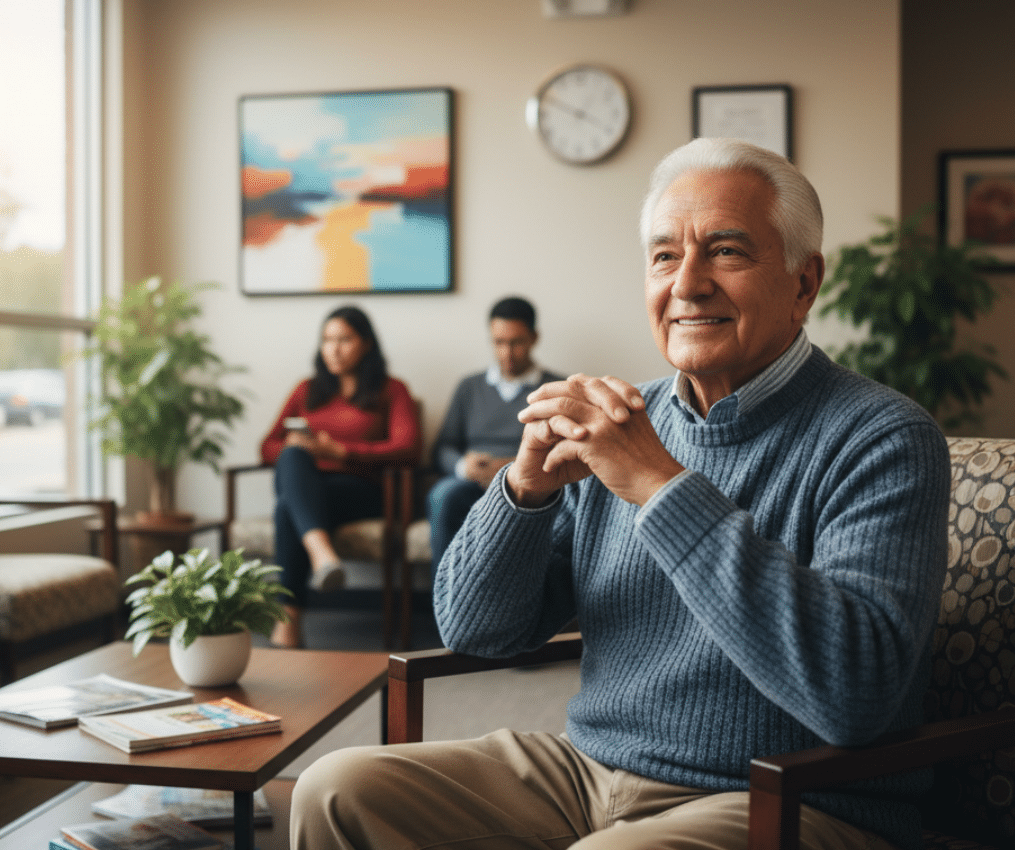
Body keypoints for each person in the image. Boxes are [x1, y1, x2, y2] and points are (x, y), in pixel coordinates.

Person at [290, 138, 951, 850]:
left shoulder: (883, 436)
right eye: (665, 256)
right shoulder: (620, 419)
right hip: (588, 771)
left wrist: (660, 486)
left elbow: (854, 694)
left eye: (726, 251)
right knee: (336, 788)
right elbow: (475, 629)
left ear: (803, 282)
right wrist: (525, 491)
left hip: (784, 794)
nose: (687, 283)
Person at [259, 305, 420, 649]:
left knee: (287, 508)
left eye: (344, 339)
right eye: (327, 340)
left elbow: (408, 448)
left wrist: (342, 452)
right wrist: (294, 445)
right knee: (292, 456)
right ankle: (322, 554)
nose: (334, 348)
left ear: (365, 344)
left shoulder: (391, 390)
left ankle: (287, 626)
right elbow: (266, 447)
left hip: (364, 490)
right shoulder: (306, 390)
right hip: (310, 487)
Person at [426, 296, 562, 577]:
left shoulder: (556, 387)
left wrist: (515, 466)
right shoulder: (470, 387)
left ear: (534, 338)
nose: (507, 353)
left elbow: (566, 449)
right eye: (499, 342)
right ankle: (446, 603)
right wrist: (464, 466)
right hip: (471, 484)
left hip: (530, 484)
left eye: (516, 342)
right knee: (442, 495)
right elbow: (443, 447)